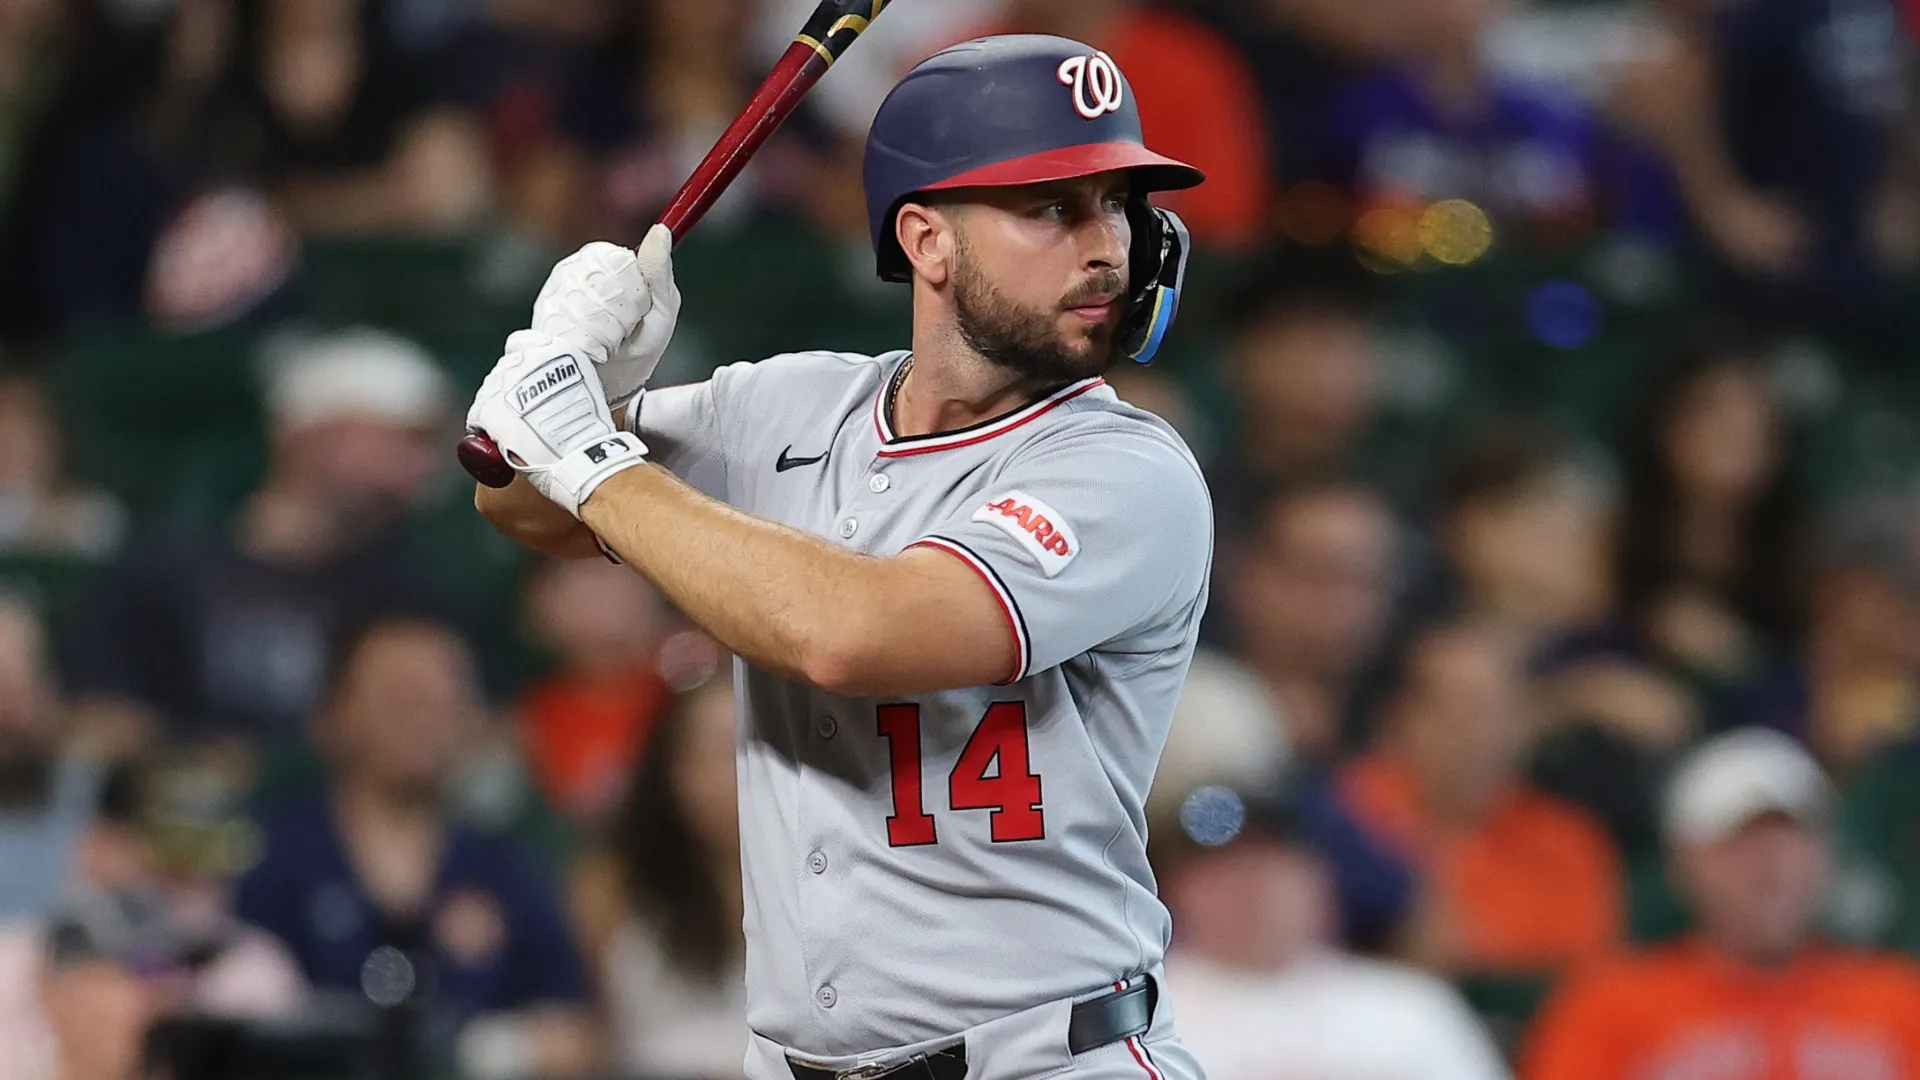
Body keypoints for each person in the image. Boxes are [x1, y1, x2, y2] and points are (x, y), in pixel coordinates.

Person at [470, 35, 1214, 1080]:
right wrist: (589, 378)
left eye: (1119, 204)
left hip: (1046, 1059)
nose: (1108, 245)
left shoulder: (1127, 468)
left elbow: (853, 633)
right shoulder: (785, 405)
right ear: (928, 241)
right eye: (1052, 207)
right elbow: (514, 500)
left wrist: (591, 454)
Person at [233, 613, 594, 1079]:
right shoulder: (270, 854)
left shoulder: (507, 867)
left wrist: (504, 1048)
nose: (425, 718)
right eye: (401, 698)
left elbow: (572, 1027)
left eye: (444, 699)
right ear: (333, 713)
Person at [61, 328, 454, 753]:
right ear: (309, 433)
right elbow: (100, 720)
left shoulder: (413, 591)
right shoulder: (163, 575)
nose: (417, 465)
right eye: (398, 439)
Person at [1522, 728, 1920, 1080]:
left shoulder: (1899, 1000)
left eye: (1793, 838)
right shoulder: (1609, 1005)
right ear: (1683, 863)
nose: (1772, 865)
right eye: (1740, 843)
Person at [1160, 786, 1509, 1080]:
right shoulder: (1143, 1015)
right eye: (1223, 870)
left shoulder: (1411, 1007)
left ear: (1320, 882)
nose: (1250, 888)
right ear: (1176, 889)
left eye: (1270, 865)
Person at [1340, 620, 1626, 974]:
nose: (1478, 737)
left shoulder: (1567, 839)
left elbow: (1583, 975)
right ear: (1397, 718)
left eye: (1497, 714)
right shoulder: (1349, 812)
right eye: (1455, 713)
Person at [574, 675, 748, 1079]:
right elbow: (580, 1033)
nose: (728, 777)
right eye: (706, 754)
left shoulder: (828, 889)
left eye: (742, 753)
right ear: (669, 772)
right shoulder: (609, 888)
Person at [1223, 483, 1402, 759]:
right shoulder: (1186, 714)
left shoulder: (1404, 727)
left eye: (1365, 578)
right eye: (1318, 575)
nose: (1342, 601)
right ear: (1248, 575)